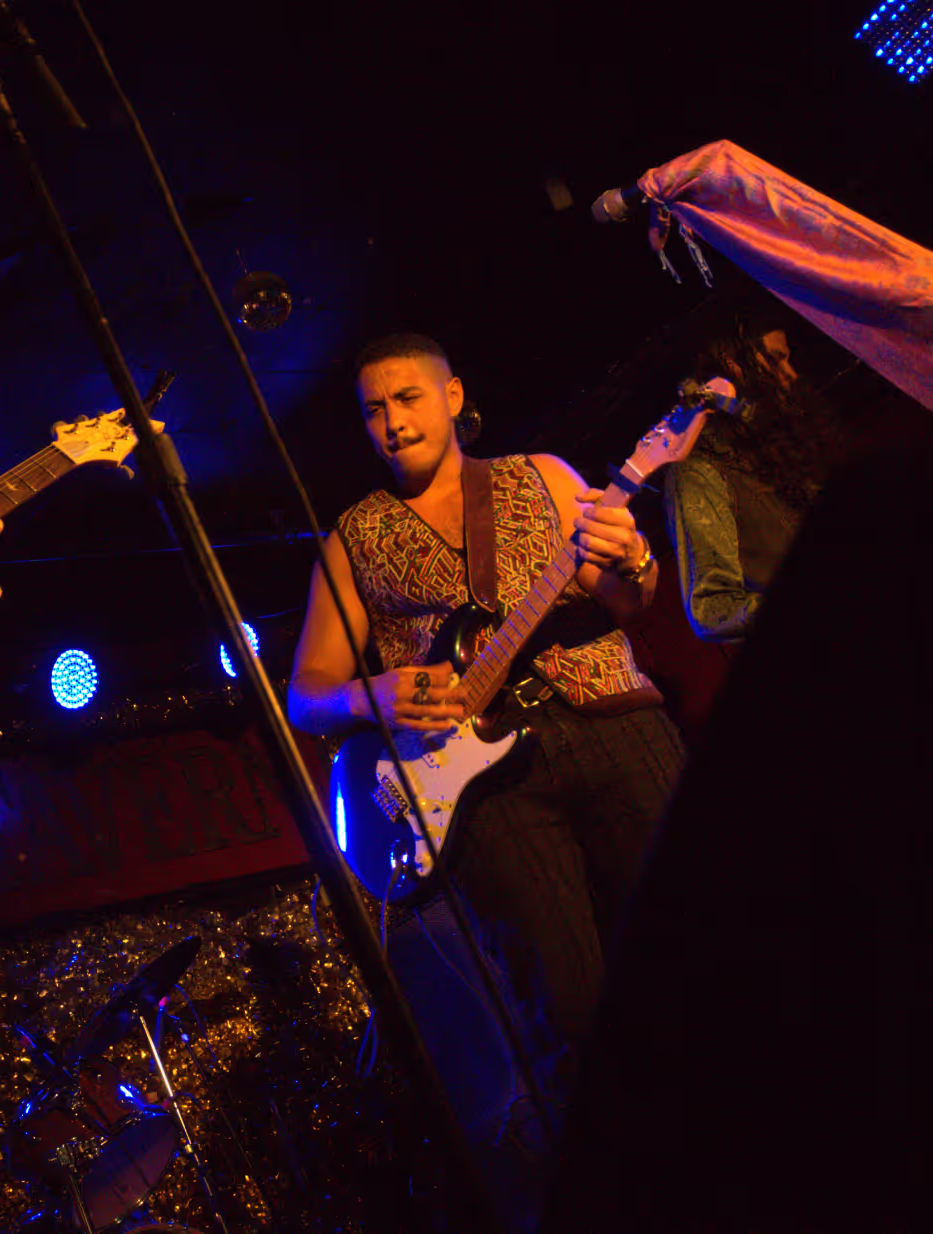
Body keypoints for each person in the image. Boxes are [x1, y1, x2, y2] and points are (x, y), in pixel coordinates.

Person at [287, 334, 685, 1231]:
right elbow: (305, 697)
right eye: (373, 411)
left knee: (689, 958)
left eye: (407, 399)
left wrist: (636, 560)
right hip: (489, 799)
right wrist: (375, 690)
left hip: (615, 724)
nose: (391, 422)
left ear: (453, 394)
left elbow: (629, 599)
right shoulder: (355, 539)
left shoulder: (539, 474)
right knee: (573, 1018)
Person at [662, 313, 844, 643]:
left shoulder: (785, 447)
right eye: (776, 360)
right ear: (733, 365)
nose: (791, 373)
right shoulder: (700, 471)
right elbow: (712, 611)